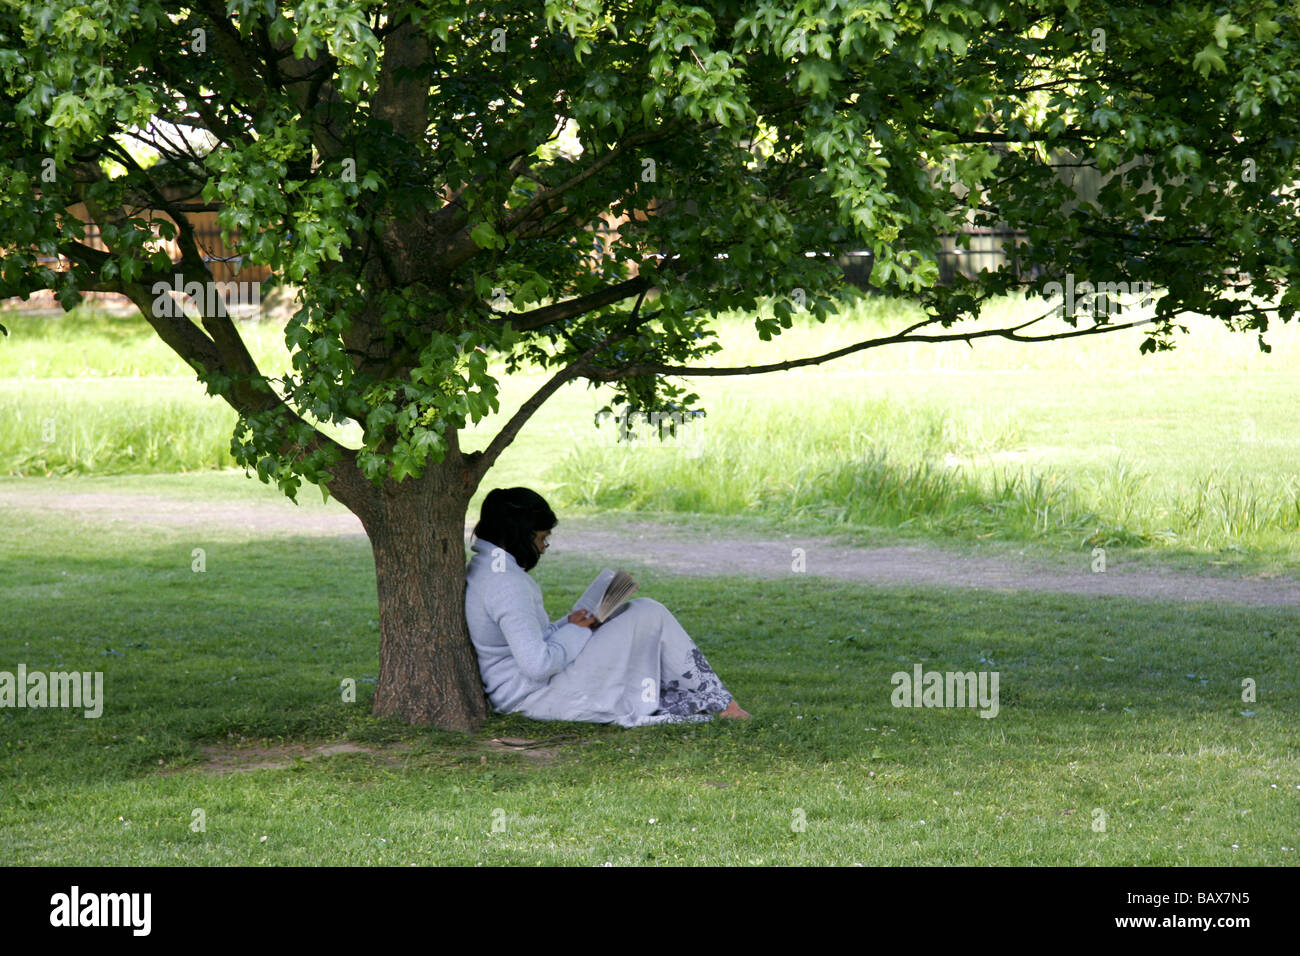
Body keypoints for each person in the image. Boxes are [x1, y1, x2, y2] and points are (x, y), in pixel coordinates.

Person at [464, 487, 751, 727]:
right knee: (648, 613)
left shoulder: (492, 569)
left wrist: (572, 623)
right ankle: (724, 705)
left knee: (637, 611)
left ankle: (718, 701)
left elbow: (530, 641)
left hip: (534, 687)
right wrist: (577, 630)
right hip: (534, 696)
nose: (542, 548)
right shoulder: (505, 583)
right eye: (541, 539)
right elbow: (538, 665)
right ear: (520, 535)